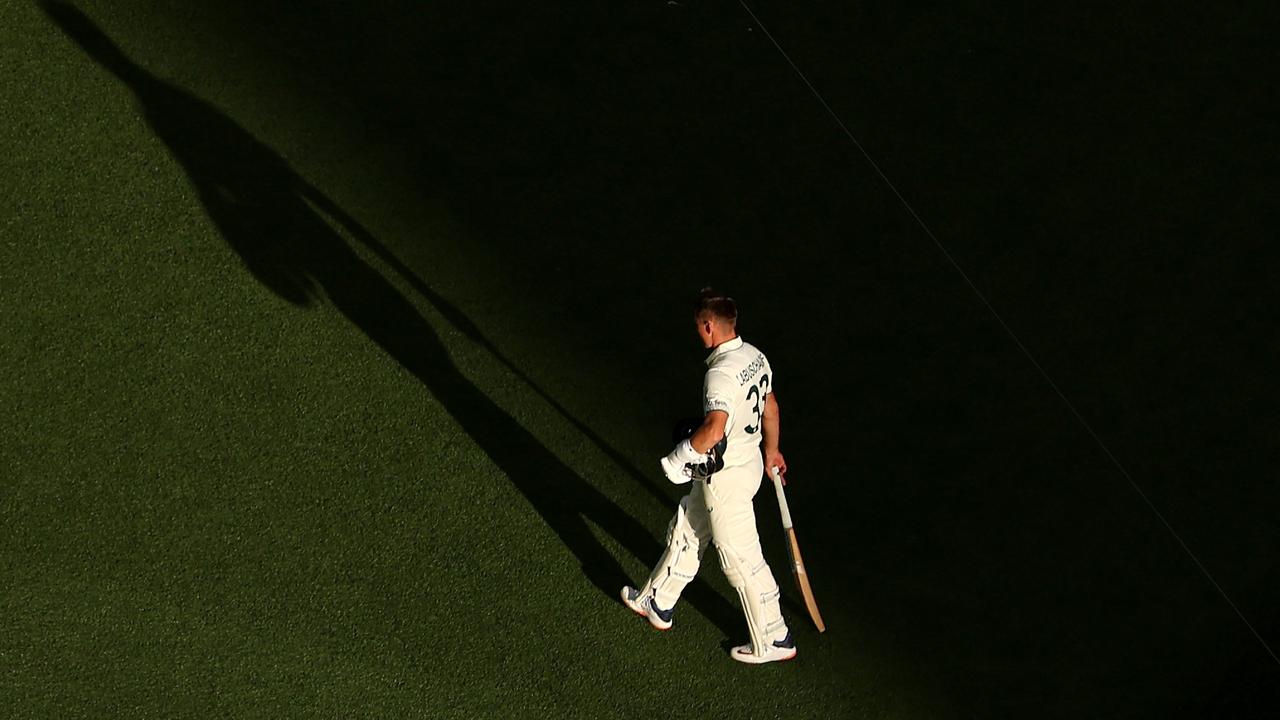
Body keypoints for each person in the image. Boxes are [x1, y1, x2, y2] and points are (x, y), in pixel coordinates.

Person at [622, 289, 796, 664]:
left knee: (740, 557)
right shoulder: (757, 357)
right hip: (746, 462)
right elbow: (771, 406)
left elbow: (714, 430)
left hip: (726, 479)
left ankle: (774, 636)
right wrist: (772, 451)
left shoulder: (719, 374)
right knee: (687, 528)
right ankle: (657, 601)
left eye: (698, 328)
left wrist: (677, 460)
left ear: (708, 326)